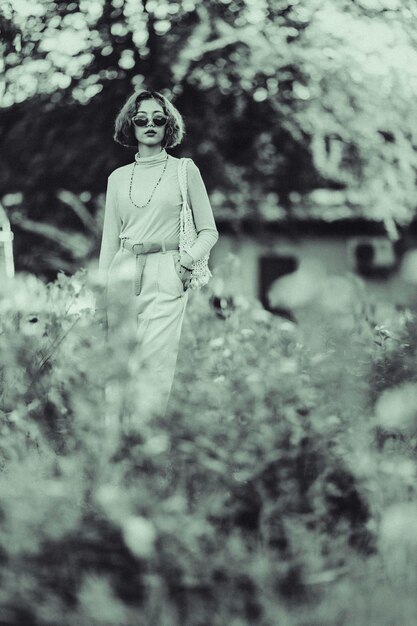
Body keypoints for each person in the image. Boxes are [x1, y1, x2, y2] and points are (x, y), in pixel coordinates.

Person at [95, 88, 219, 423]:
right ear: (130, 126)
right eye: (141, 119)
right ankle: (113, 450)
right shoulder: (117, 178)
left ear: (168, 126)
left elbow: (209, 230)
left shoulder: (184, 170)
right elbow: (109, 242)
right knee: (120, 365)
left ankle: (143, 452)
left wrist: (185, 261)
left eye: (158, 119)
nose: (150, 125)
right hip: (122, 271)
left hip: (167, 270)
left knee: (155, 367)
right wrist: (100, 296)